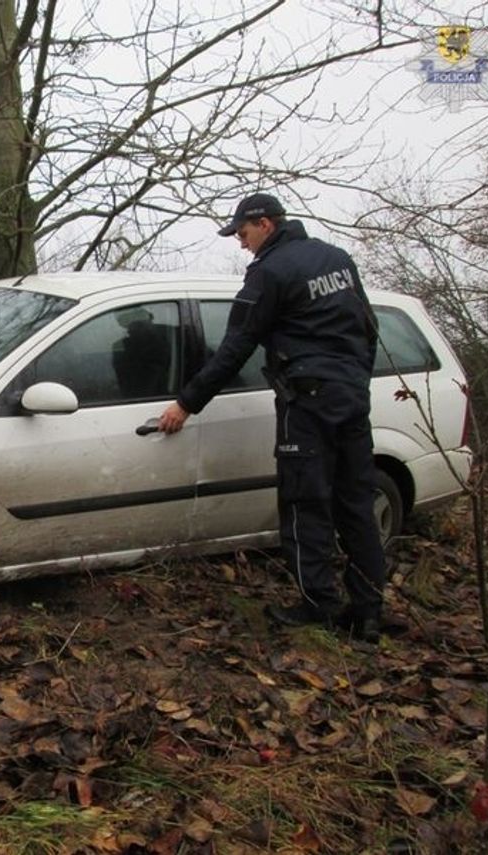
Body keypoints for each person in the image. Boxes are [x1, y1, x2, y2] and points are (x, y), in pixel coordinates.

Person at [158, 193, 386, 642]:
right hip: (352, 398)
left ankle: (318, 605)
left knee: (305, 503)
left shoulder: (271, 272)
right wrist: (356, 378)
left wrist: (187, 403)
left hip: (308, 404)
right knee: (357, 503)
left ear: (264, 224)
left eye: (242, 234)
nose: (242, 244)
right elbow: (368, 325)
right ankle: (368, 615)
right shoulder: (335, 257)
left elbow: (236, 346)